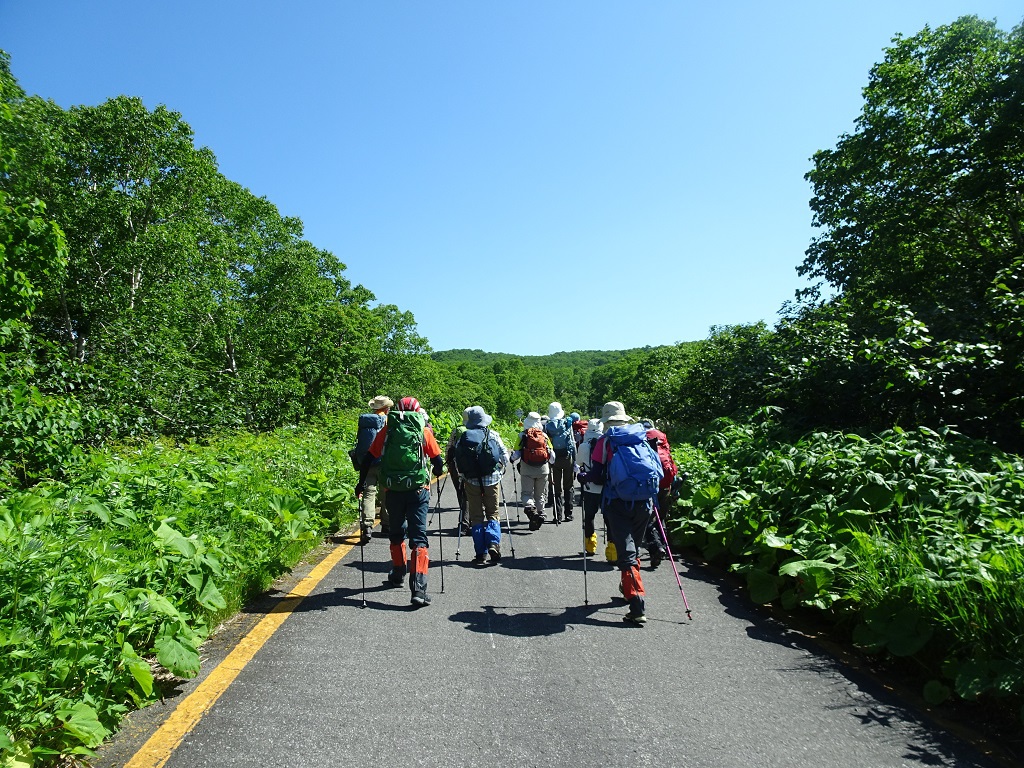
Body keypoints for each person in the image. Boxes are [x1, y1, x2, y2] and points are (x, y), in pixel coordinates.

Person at [577, 401, 662, 625]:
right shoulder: (642, 437)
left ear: (606, 422)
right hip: (644, 502)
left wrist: (582, 478)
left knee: (627, 554)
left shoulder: (605, 442)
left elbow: (595, 476)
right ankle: (628, 588)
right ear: (625, 419)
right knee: (632, 547)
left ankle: (637, 603)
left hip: (618, 503)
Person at [355, 396, 444, 608]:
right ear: (417, 411)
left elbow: (368, 459)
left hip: (392, 490)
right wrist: (433, 473)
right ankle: (419, 590)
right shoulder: (423, 432)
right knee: (418, 536)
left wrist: (361, 485)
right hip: (418, 491)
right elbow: (439, 464)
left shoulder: (387, 432)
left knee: (396, 532)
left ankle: (397, 574)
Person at [453, 405, 509, 565]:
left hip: (471, 481)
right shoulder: (492, 434)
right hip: (491, 479)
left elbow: (458, 461)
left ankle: (480, 553)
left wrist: (463, 476)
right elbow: (505, 456)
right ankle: (493, 543)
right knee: (493, 513)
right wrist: (499, 469)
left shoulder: (463, 437)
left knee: (476, 517)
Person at [351, 395, 392, 541]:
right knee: (385, 493)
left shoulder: (364, 422)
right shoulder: (387, 421)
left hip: (366, 463)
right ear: (386, 408)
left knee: (369, 493)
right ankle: (386, 526)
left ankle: (367, 526)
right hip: (382, 462)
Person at [641, 420, 679, 569]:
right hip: (666, 483)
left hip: (650, 483)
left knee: (646, 520)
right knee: (661, 517)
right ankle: (663, 545)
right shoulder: (661, 436)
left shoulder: (639, 436)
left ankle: (656, 547)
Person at [509, 411, 555, 530]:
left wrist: (511, 459)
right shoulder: (544, 436)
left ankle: (532, 510)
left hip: (527, 469)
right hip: (543, 469)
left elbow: (516, 453)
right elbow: (552, 456)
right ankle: (541, 513)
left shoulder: (522, 435)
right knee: (540, 495)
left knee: (526, 494)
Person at [575, 418, 604, 556]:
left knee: (589, 516)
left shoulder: (583, 446)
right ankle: (612, 550)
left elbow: (579, 463)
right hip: (606, 487)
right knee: (610, 518)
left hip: (590, 486)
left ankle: (590, 545)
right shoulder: (607, 443)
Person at [544, 402, 577, 522]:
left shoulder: (547, 426)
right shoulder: (567, 423)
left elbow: (546, 444)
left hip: (554, 459)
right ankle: (568, 514)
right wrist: (575, 462)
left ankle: (557, 516)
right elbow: (573, 443)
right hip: (567, 458)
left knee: (556, 488)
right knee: (568, 486)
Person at [444, 419, 470, 535]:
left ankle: (464, 522)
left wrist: (448, 464)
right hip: (471, 469)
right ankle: (469, 522)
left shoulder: (456, 431)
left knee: (461, 493)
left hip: (456, 467)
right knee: (469, 495)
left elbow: (448, 448)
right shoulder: (480, 430)